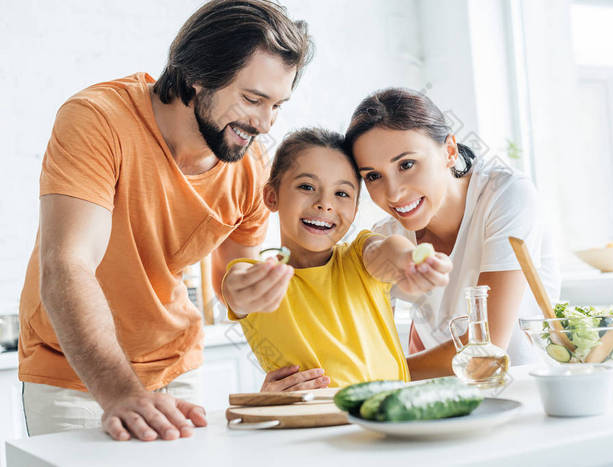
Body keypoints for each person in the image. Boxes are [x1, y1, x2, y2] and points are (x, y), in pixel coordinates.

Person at [18, 0, 311, 441]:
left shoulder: (249, 167)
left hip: (178, 371)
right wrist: (120, 392)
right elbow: (68, 265)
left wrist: (248, 292)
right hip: (78, 377)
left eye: (277, 105)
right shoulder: (98, 120)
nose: (265, 123)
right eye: (252, 99)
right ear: (196, 76)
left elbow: (232, 279)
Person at [344, 88, 561, 378]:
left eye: (406, 164)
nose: (393, 193)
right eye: (373, 176)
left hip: (528, 390)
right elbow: (360, 341)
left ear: (449, 151)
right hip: (446, 398)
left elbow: (486, 351)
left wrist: (377, 372)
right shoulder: (387, 237)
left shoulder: (505, 196)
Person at [221, 128, 453, 390]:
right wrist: (268, 401)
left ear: (354, 210)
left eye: (341, 193)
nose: (325, 204)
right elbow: (236, 288)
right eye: (307, 187)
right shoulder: (255, 277)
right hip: (309, 422)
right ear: (271, 196)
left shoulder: (361, 257)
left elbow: (387, 250)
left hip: (391, 419)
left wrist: (410, 260)